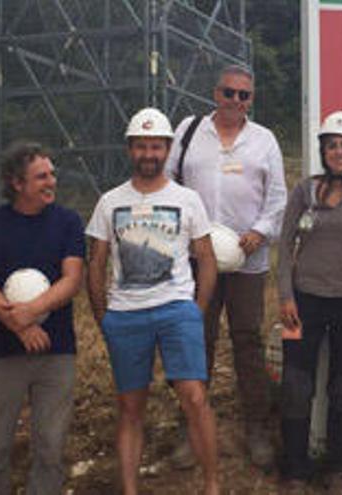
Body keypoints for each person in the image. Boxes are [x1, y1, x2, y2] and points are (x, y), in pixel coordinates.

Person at [87, 107, 220, 495]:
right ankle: (130, 489)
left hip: (176, 309)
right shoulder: (110, 202)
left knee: (195, 397)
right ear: (131, 150)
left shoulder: (187, 199)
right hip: (125, 315)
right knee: (131, 407)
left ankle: (212, 484)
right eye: (142, 146)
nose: (149, 153)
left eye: (157, 146)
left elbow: (207, 258)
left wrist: (196, 311)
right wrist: (103, 316)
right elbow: (96, 262)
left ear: (167, 149)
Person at [165, 64, 286, 467]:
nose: (236, 100)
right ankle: (190, 430)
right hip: (198, 261)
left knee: (248, 341)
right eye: (229, 92)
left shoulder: (264, 140)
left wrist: (259, 232)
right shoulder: (188, 131)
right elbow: (169, 186)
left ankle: (257, 430)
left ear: (251, 99)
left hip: (247, 261)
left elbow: (278, 199)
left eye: (244, 95)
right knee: (196, 340)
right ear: (215, 93)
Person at [0, 141, 85, 494]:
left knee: (50, 445)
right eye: (41, 177)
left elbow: (72, 279)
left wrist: (29, 315)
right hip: (3, 351)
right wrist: (17, 324)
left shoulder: (67, 222)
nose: (51, 182)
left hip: (56, 350)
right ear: (17, 183)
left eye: (52, 175)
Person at [275, 111, 342, 493]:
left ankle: (340, 469)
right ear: (323, 151)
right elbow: (283, 244)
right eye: (332, 145)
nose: (338, 151)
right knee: (296, 386)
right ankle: (296, 469)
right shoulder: (304, 192)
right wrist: (284, 295)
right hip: (303, 302)